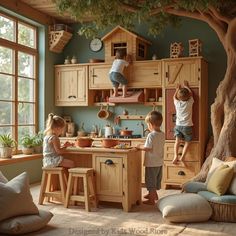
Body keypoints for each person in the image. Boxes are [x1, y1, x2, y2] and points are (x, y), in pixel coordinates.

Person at [136, 111, 165, 205]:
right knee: (155, 180)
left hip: (152, 163)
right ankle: (154, 195)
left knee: (150, 181)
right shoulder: (162, 134)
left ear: (151, 124)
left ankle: (151, 200)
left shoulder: (151, 135)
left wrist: (139, 147)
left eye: (148, 124)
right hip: (159, 162)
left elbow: (148, 148)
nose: (148, 126)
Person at [172, 80, 194, 164]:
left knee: (177, 141)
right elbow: (191, 94)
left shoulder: (177, 103)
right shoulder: (189, 102)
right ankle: (182, 157)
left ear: (178, 97)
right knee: (187, 142)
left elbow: (174, 97)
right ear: (188, 96)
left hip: (178, 125)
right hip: (187, 126)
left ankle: (175, 156)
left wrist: (177, 89)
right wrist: (186, 86)